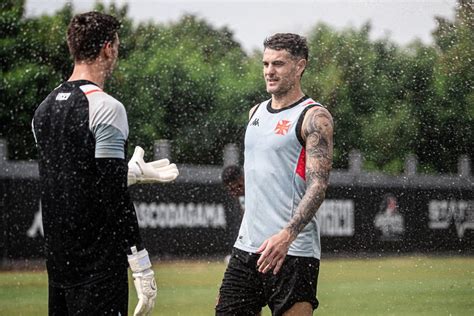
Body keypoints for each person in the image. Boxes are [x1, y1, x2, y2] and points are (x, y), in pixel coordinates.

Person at [32, 12, 178, 316]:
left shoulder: (43, 109)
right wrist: (140, 264)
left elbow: (76, 178)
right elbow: (112, 196)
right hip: (98, 266)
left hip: (59, 266)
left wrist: (128, 172)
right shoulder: (107, 107)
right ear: (107, 48)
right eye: (118, 44)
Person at [216, 33, 334, 316]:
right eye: (266, 63)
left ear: (300, 66)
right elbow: (270, 171)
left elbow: (318, 186)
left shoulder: (314, 117)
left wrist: (287, 236)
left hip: (291, 251)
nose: (269, 71)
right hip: (247, 248)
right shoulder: (255, 112)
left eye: (279, 64)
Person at [221, 165, 245, 263]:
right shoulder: (242, 197)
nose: (233, 193)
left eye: (237, 187)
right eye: (230, 190)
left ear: (243, 179)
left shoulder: (260, 191)